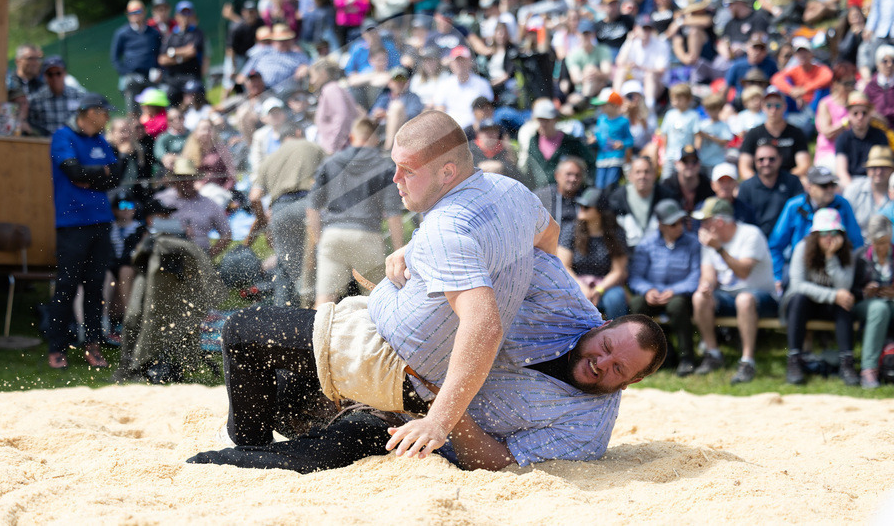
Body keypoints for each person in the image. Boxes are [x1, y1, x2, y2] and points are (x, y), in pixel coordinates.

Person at [219, 111, 558, 460]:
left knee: (241, 330)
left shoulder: (447, 229)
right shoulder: (511, 191)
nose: (395, 178)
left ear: (447, 172)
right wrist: (416, 248)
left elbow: (483, 325)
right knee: (290, 390)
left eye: (407, 170)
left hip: (393, 362)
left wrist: (438, 422)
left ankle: (247, 448)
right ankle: (303, 430)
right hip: (400, 354)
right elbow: (549, 238)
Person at [189, 252, 666, 472]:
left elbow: (501, 462)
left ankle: (216, 465)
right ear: (601, 324)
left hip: (406, 420)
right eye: (606, 347)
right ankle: (248, 436)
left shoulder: (588, 429)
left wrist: (447, 410)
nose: (603, 363)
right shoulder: (564, 300)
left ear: (631, 382)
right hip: (386, 349)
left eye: (619, 369)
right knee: (244, 331)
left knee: (319, 454)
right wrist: (413, 252)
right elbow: (503, 242)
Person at [46, 93, 123, 370]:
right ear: (91, 112)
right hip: (72, 223)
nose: (108, 117)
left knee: (95, 286)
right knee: (66, 286)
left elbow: (115, 176)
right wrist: (99, 173)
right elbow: (74, 172)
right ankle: (56, 347)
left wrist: (93, 175)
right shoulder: (63, 137)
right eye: (104, 112)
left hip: (101, 221)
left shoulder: (101, 141)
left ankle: (93, 344)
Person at [303, 118, 404, 308]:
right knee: (377, 301)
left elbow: (312, 207)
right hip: (366, 236)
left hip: (332, 235)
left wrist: (319, 240)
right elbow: (393, 214)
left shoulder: (330, 163)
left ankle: (316, 329)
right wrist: (399, 251)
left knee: (323, 304)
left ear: (351, 137)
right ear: (375, 139)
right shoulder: (384, 166)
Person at [691, 197, 777, 384]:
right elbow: (708, 275)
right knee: (699, 298)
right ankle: (713, 353)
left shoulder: (751, 234)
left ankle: (747, 361)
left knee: (744, 299)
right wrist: (706, 286)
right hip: (729, 297)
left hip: (761, 297)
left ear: (719, 222)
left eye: (706, 221)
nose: (702, 226)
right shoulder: (711, 242)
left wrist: (719, 249)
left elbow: (743, 272)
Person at [783, 209, 869, 387]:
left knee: (845, 301)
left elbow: (844, 286)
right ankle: (794, 360)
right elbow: (797, 285)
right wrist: (833, 295)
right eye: (823, 233)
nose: (829, 238)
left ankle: (847, 363)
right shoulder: (802, 248)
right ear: (815, 235)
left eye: (834, 233)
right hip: (805, 305)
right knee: (798, 298)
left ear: (841, 234)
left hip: (832, 308)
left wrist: (831, 257)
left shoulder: (847, 252)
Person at [247, 123, 325, 307]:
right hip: (309, 205)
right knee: (319, 261)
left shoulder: (269, 160)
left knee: (284, 266)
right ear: (298, 132)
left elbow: (254, 197)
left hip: (280, 211)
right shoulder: (313, 147)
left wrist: (264, 222)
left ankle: (281, 315)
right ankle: (318, 310)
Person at [628, 199, 702, 376]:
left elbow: (696, 276)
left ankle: (686, 358)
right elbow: (635, 276)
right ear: (661, 225)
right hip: (652, 293)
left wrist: (674, 290)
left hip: (681, 295)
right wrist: (647, 290)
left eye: (681, 222)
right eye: (673, 224)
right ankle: (655, 357)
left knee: (677, 305)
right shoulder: (646, 244)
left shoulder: (693, 243)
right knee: (637, 304)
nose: (679, 227)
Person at [770, 165, 864, 290]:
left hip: (836, 267)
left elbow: (856, 243)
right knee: (789, 288)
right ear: (809, 187)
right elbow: (775, 246)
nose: (830, 189)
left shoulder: (843, 204)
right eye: (824, 185)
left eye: (832, 184)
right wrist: (777, 276)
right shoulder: (794, 206)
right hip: (802, 267)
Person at [557, 188, 629, 319]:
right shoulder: (570, 230)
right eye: (580, 205)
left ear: (600, 211)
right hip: (576, 284)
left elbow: (618, 270)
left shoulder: (616, 233)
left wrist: (599, 289)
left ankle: (617, 331)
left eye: (586, 206)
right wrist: (582, 288)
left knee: (616, 298)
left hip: (606, 286)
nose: (581, 209)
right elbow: (564, 266)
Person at [155, 159, 231, 257]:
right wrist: (179, 229)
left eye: (189, 177)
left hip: (198, 255)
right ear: (175, 180)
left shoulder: (209, 204)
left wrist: (209, 256)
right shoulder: (162, 199)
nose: (186, 181)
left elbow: (226, 234)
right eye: (182, 178)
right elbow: (151, 224)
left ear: (195, 179)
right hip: (168, 254)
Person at [737, 85, 811, 181]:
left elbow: (804, 165)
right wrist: (758, 183)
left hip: (789, 180)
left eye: (777, 105)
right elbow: (744, 167)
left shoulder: (796, 133)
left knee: (805, 182)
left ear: (785, 107)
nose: (773, 110)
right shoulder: (754, 133)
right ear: (763, 107)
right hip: (760, 181)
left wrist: (782, 181)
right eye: (769, 105)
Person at [856, 215, 894, 388]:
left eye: (885, 242)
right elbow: (850, 290)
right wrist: (865, 291)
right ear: (871, 240)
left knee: (883, 307)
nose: (881, 247)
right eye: (877, 243)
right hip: (865, 305)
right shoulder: (860, 256)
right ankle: (868, 369)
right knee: (879, 308)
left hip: (890, 302)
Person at [737, 143, 804, 239]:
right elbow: (742, 221)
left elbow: (800, 213)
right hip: (756, 239)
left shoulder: (793, 182)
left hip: (787, 239)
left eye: (771, 159)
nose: (766, 163)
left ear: (780, 159)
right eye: (761, 159)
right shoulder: (746, 187)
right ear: (755, 161)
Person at [110, 0, 161, 113]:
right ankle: (134, 120)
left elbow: (159, 53)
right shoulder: (122, 34)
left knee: (156, 107)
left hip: (151, 77)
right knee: (133, 105)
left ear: (144, 12)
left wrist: (158, 70)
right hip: (131, 77)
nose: (135, 15)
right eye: (131, 12)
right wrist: (125, 73)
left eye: (137, 11)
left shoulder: (153, 33)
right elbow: (115, 58)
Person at [834, 92, 890, 189]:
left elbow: (885, 167)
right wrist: (852, 189)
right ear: (849, 115)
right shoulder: (842, 138)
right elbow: (842, 171)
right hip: (850, 182)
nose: (860, 117)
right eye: (855, 113)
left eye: (864, 113)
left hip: (875, 181)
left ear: (870, 114)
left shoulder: (880, 136)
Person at [28, 56, 88, 137]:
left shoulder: (79, 96)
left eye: (58, 73)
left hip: (73, 141)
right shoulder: (36, 100)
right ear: (45, 76)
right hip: (48, 142)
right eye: (50, 74)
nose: (55, 78)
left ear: (65, 73)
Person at [588, 88, 632, 189]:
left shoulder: (623, 121)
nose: (601, 107)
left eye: (604, 105)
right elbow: (598, 136)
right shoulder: (601, 120)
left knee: (610, 185)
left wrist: (622, 144)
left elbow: (630, 140)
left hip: (615, 158)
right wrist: (594, 140)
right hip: (602, 158)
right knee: (599, 185)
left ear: (614, 105)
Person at [844, 145, 894, 231]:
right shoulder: (854, 189)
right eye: (874, 168)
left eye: (884, 167)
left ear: (892, 169)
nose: (878, 172)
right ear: (867, 169)